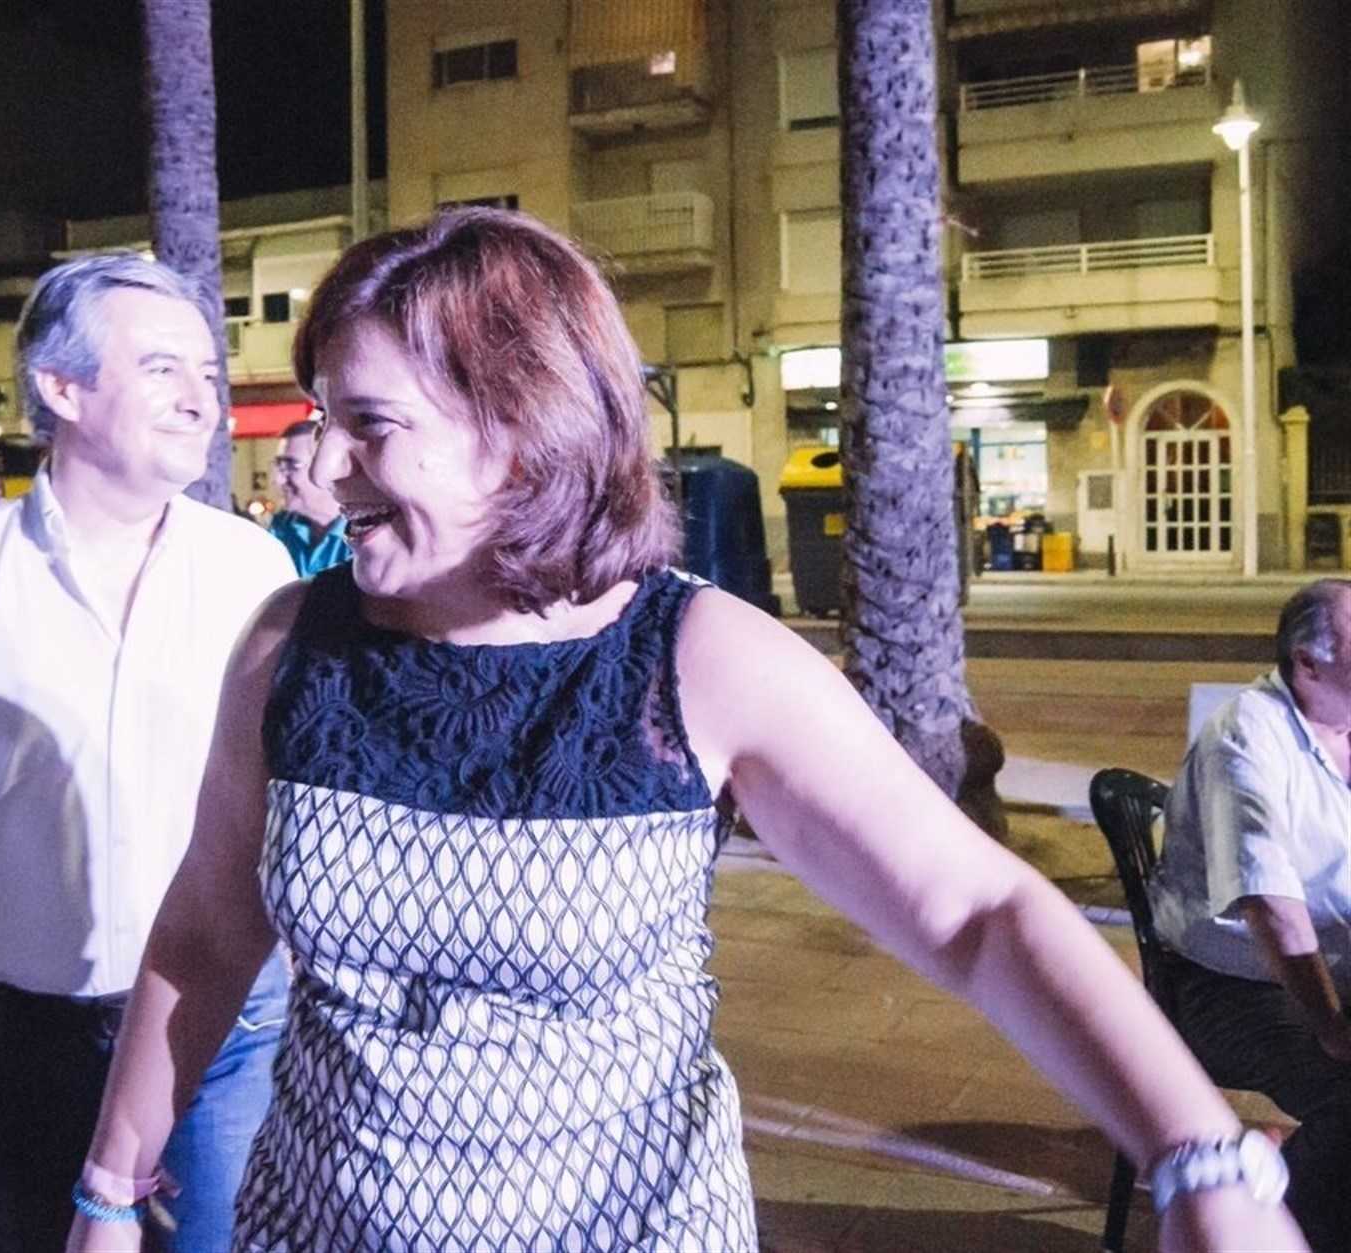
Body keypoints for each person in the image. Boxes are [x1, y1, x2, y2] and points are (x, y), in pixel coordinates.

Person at [66, 210, 1305, 1252]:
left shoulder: (695, 658)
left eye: (369, 425)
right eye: (322, 416)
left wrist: (1199, 1150)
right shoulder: (290, 648)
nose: (321, 465)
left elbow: (977, 912)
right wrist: (111, 1187)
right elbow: (210, 922)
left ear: (523, 428)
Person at [0, 253, 298, 1253]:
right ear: (62, 386)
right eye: (164, 368)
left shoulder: (252, 568)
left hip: (221, 1035)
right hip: (22, 1043)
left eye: (209, 373)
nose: (200, 397)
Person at [1152, 577, 1351, 1248]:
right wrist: (1330, 1026)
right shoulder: (1245, 735)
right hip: (1231, 986)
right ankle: (1256, 1219)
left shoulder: (1343, 727)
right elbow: (1271, 905)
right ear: (1310, 661)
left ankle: (1295, 1172)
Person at [267, 417, 349, 576]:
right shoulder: (281, 528)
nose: (278, 479)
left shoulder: (365, 537)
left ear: (327, 468)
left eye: (291, 465)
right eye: (279, 465)